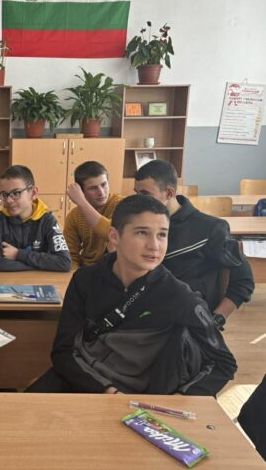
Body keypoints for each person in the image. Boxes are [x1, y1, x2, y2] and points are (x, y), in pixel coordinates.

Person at [28, 195, 237, 395]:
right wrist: (108, 392)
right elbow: (63, 351)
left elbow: (224, 363)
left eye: (162, 234)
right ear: (114, 236)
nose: (154, 246)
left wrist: (181, 399)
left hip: (142, 398)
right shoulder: (85, 280)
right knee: (21, 414)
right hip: (85, 381)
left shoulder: (180, 297)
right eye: (142, 233)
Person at [133, 160, 254, 325]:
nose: (138, 201)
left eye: (145, 194)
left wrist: (216, 319)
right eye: (136, 194)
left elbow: (243, 281)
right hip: (142, 314)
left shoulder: (211, 228)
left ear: (169, 193)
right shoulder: (137, 224)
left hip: (186, 321)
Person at [0, 165, 71, 272]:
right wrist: (41, 264)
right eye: (4, 194)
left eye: (16, 193)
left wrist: (18, 254)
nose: (9, 200)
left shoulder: (48, 220)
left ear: (33, 193)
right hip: (7, 280)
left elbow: (64, 262)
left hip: (39, 280)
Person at [64, 161, 124, 269]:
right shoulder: (74, 216)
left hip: (113, 269)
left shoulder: (121, 204)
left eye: (104, 185)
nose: (101, 192)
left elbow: (114, 235)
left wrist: (81, 202)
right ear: (81, 191)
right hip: (87, 269)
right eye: (93, 188)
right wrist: (75, 274)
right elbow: (70, 255)